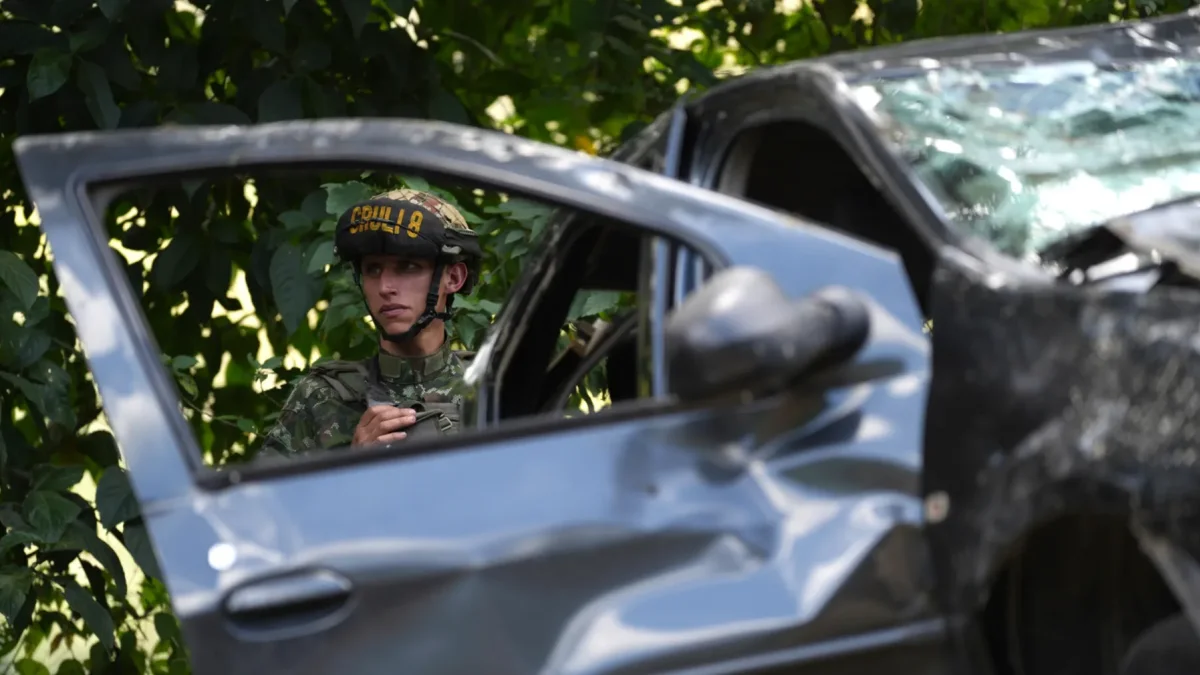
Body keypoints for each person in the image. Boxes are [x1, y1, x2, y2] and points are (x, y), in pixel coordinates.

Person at [260, 188, 483, 456]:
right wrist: (353, 465)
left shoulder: (494, 386)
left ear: (454, 278)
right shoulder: (322, 398)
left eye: (407, 266)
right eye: (372, 269)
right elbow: (271, 498)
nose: (385, 287)